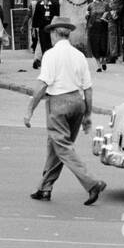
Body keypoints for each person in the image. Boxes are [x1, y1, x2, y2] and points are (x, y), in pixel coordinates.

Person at [24, 15, 107, 205]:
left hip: (58, 103)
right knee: (57, 145)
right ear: (67, 34)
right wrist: (87, 115)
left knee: (62, 147)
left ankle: (92, 183)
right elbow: (88, 89)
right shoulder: (79, 56)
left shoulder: (51, 55)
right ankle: (45, 187)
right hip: (78, 102)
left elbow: (42, 85)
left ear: (54, 33)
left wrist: (29, 110)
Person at [31, 0, 58, 67]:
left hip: (51, 27)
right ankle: (44, 61)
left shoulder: (53, 4)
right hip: (42, 27)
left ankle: (50, 61)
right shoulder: (39, 4)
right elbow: (36, 16)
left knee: (50, 44)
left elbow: (56, 15)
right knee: (43, 43)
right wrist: (34, 27)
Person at [86, 0, 110, 72]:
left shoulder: (105, 4)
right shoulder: (90, 6)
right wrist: (87, 15)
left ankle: (103, 60)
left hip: (103, 26)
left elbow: (109, 15)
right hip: (93, 27)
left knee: (103, 45)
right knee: (95, 45)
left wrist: (106, 15)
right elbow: (87, 17)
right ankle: (98, 66)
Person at [105, 0, 124, 64]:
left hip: (115, 22)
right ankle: (112, 55)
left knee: (114, 39)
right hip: (111, 21)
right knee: (112, 38)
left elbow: (116, 9)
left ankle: (113, 56)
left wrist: (110, 11)